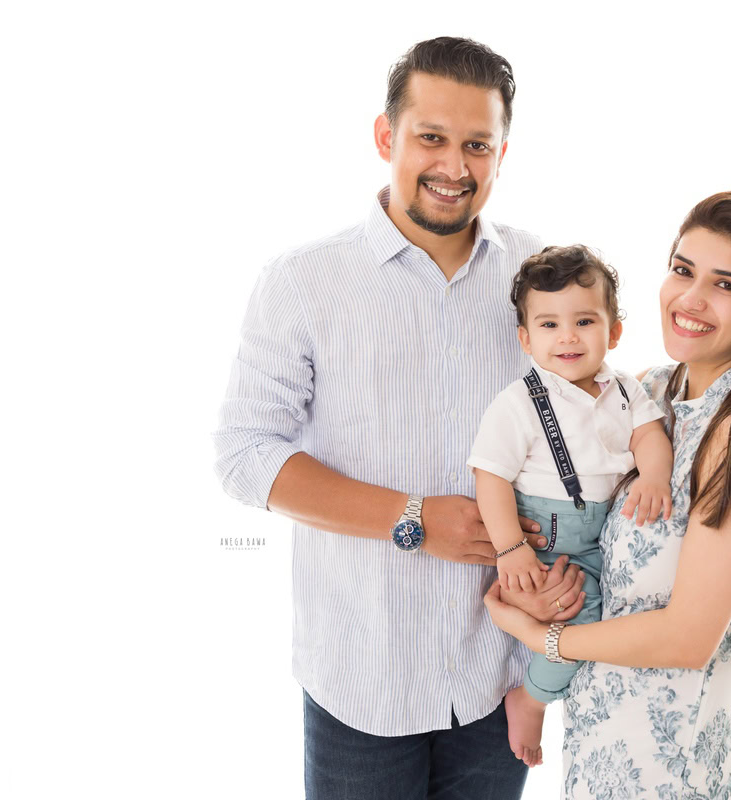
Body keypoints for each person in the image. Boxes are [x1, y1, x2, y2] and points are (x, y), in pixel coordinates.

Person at [212, 37, 586, 799]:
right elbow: (245, 453)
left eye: (476, 144)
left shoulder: (539, 277)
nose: (454, 167)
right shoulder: (303, 282)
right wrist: (412, 518)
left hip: (496, 676)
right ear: (387, 137)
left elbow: (581, 436)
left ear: (501, 153)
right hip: (361, 684)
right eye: (431, 138)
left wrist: (550, 627)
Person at [484, 191, 731, 799]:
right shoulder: (651, 391)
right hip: (603, 750)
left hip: (670, 770)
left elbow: (687, 637)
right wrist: (547, 583)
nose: (692, 298)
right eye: (683, 270)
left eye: (726, 284)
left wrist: (541, 641)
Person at [466, 245, 674, 767]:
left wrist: (654, 473)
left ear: (615, 331)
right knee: (584, 615)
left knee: (619, 618)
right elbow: (489, 476)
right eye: (550, 324)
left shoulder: (626, 390)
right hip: (545, 542)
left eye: (584, 320)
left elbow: (650, 435)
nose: (568, 337)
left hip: (601, 534)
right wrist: (511, 547)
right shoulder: (518, 402)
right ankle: (532, 701)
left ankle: (554, 688)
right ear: (525, 338)